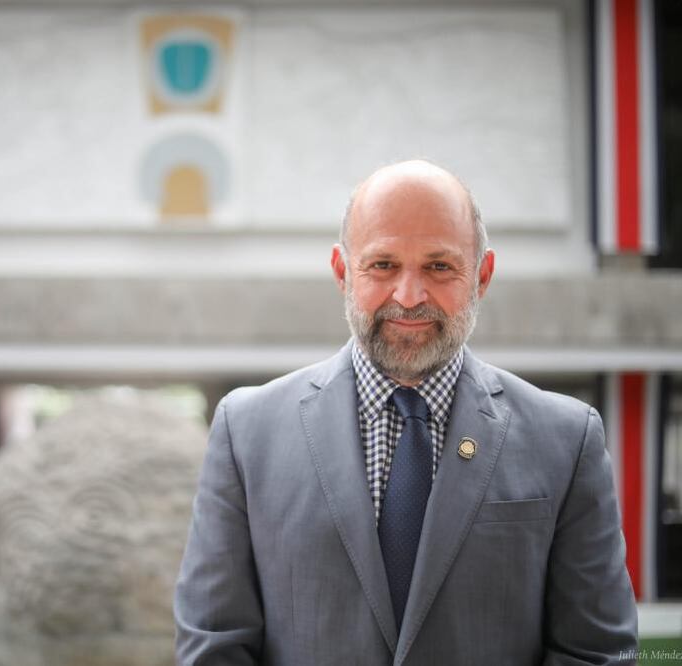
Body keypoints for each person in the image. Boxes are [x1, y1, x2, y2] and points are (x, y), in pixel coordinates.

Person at [173, 160, 638, 665]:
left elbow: (597, 653)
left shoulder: (566, 441)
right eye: (383, 265)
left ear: (481, 276)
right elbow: (214, 647)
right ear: (342, 273)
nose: (410, 296)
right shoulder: (247, 433)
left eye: (439, 267)